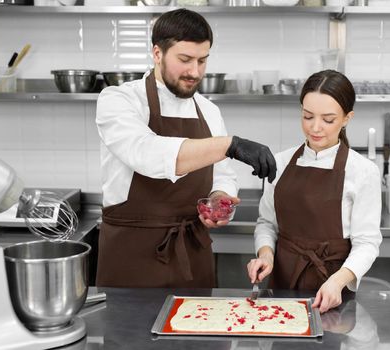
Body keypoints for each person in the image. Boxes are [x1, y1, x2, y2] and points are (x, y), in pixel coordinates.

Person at [95, 9, 276, 288]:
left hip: (192, 255)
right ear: (157, 53)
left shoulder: (209, 110)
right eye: (185, 60)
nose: (195, 71)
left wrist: (219, 198)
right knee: (127, 331)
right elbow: (146, 153)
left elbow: (222, 174)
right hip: (131, 256)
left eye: (203, 60)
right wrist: (230, 145)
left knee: (196, 329)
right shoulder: (119, 100)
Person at [246, 70, 382, 313]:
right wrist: (266, 255)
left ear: (347, 118)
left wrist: (338, 282)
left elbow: (367, 243)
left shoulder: (363, 171)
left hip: (332, 292)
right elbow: (267, 223)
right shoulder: (279, 162)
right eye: (308, 116)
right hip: (282, 286)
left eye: (328, 120)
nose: (315, 127)